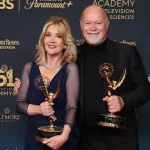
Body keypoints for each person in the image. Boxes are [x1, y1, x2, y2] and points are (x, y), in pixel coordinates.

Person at [14, 5, 150, 150]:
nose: (93, 28)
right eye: (88, 23)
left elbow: (144, 89)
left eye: (98, 23)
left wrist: (123, 101)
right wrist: (25, 88)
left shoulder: (127, 52)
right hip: (83, 142)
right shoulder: (73, 57)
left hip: (119, 140)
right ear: (81, 25)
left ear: (107, 24)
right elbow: (52, 81)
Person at [16, 16, 79, 150]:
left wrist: (64, 136)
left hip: (60, 138)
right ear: (43, 39)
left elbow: (71, 108)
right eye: (48, 35)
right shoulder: (29, 68)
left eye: (58, 36)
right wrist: (39, 109)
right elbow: (20, 105)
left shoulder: (70, 69)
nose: (51, 40)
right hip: (34, 138)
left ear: (65, 43)